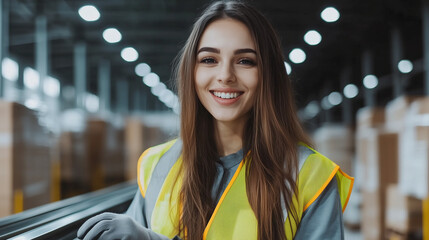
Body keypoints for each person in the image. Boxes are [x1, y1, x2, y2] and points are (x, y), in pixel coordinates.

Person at [77, 1, 354, 239]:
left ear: (268, 75)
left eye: (245, 61)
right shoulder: (157, 165)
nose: (225, 75)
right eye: (209, 59)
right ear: (192, 72)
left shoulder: (311, 176)